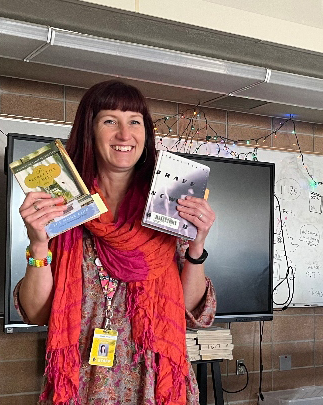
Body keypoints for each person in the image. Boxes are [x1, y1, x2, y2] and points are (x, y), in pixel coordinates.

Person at [15, 80, 217, 405]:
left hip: (154, 379)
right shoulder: (64, 204)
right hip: (84, 380)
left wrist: (197, 246)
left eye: (134, 121)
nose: (125, 134)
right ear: (90, 130)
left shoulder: (168, 201)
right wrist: (38, 244)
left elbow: (187, 311)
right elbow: (37, 313)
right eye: (110, 121)